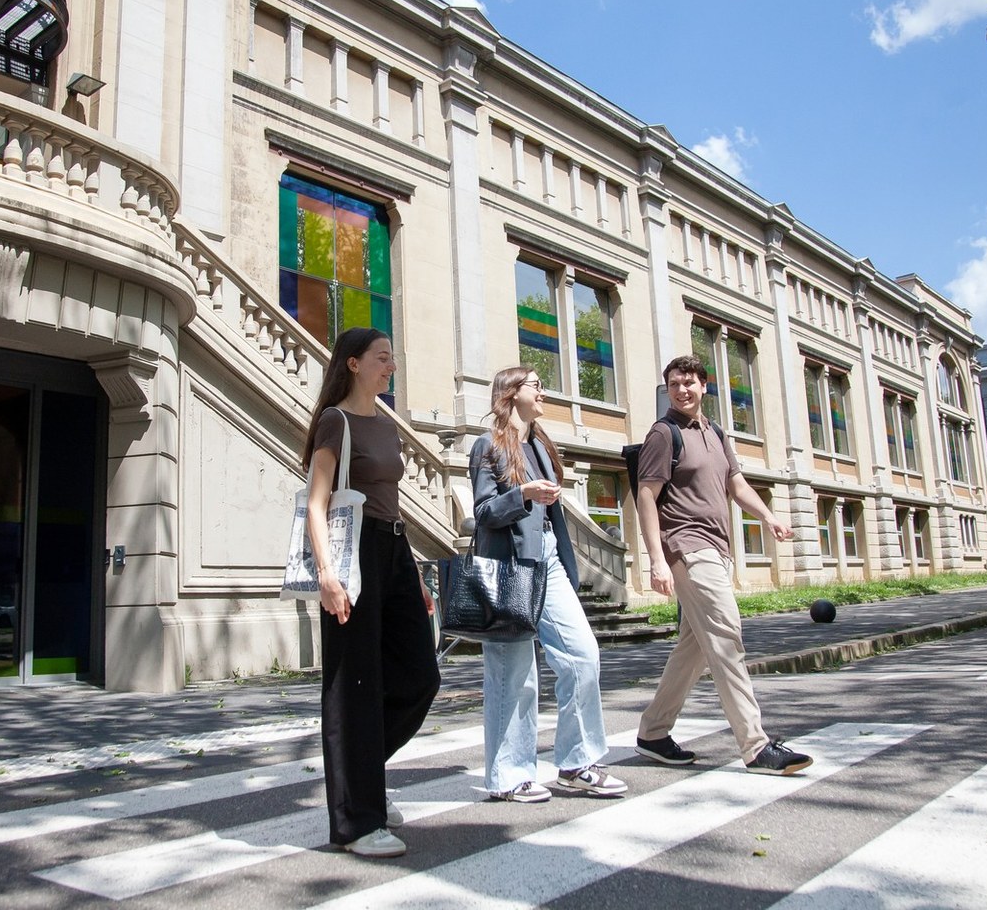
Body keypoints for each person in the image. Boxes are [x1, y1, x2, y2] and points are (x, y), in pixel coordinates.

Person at [633, 354, 813, 776]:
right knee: (728, 638)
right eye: (675, 384)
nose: (682, 390)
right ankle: (756, 746)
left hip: (717, 548)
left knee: (694, 648)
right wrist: (657, 560)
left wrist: (768, 518)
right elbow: (645, 497)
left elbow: (736, 484)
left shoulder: (714, 432)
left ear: (704, 386)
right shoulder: (664, 433)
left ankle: (653, 733)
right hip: (687, 547)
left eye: (689, 382)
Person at [303, 327, 441, 858]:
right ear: (354, 364)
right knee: (354, 685)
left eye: (393, 359)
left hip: (394, 550)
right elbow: (317, 502)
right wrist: (327, 573)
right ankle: (358, 822)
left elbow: (390, 502)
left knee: (419, 675)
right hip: (351, 554)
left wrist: (412, 576)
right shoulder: (334, 422)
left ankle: (362, 779)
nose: (391, 366)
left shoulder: (386, 425)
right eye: (383, 358)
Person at [469, 366, 627, 803]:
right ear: (510, 393)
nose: (543, 393)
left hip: (550, 565)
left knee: (582, 654)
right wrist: (522, 496)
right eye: (536, 385)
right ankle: (509, 775)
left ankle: (577, 763)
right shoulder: (488, 446)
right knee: (513, 675)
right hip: (509, 571)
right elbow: (482, 513)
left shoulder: (540, 445)